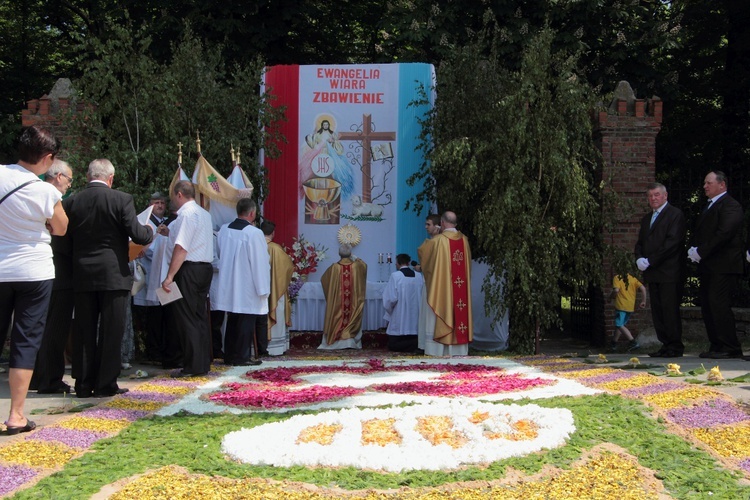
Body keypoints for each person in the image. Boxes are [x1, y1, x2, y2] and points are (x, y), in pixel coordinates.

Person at [66, 159, 153, 397]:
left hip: (82, 274)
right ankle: (105, 384)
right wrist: (150, 231)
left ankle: (83, 384)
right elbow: (137, 233)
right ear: (111, 178)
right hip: (113, 274)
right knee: (111, 330)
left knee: (84, 330)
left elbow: (65, 238)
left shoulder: (73, 201)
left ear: (87, 175)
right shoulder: (121, 199)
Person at [0, 125, 66, 434]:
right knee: (25, 340)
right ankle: (16, 415)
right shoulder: (46, 190)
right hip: (34, 271)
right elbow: (62, 227)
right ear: (48, 158)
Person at [688, 171, 745, 359]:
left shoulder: (730, 205)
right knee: (708, 305)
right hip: (710, 265)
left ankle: (730, 346)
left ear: (722, 185)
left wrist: (701, 252)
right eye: (704, 183)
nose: (705, 186)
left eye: (709, 183)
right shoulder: (710, 205)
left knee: (718, 304)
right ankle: (717, 345)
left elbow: (724, 234)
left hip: (724, 265)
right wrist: (695, 250)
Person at [30, 159, 75, 394]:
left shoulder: (31, 195)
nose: (69, 185)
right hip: (58, 273)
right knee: (55, 330)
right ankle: (50, 379)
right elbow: (62, 236)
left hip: (36, 272)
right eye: (68, 179)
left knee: (38, 328)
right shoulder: (53, 198)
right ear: (58, 177)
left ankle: (37, 377)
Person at [160, 181, 214, 376]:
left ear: (180, 194)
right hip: (204, 268)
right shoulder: (204, 213)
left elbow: (182, 247)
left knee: (186, 318)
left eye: (174, 196)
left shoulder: (185, 214)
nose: (174, 200)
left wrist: (170, 276)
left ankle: (192, 365)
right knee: (198, 316)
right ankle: (202, 363)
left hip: (189, 269)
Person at [212, 199, 270, 365]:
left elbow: (220, 253)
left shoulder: (224, 229)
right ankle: (242, 356)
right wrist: (263, 288)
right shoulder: (254, 233)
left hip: (229, 282)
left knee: (232, 319)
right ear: (252, 213)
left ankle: (230, 355)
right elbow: (259, 262)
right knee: (246, 320)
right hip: (247, 283)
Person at [634, 182, 687, 357]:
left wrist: (651, 260)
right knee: (657, 310)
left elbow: (672, 243)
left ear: (665, 196)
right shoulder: (647, 218)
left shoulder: (675, 215)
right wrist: (639, 258)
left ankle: (675, 345)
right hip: (653, 272)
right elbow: (641, 242)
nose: (653, 198)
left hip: (669, 271)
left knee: (669, 309)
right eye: (650, 196)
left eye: (656, 195)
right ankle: (665, 344)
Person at [418, 211, 473, 356]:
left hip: (443, 291)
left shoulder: (438, 241)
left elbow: (424, 256)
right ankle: (459, 349)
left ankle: (438, 350)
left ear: (442, 223)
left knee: (441, 309)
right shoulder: (465, 240)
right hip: (460, 290)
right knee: (459, 309)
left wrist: (433, 237)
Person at [132, 191, 170, 365]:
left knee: (163, 315)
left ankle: (162, 349)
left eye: (162, 203)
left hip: (164, 274)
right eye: (156, 203)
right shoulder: (144, 222)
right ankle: (149, 351)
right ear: (150, 205)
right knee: (149, 315)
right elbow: (145, 248)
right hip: (149, 273)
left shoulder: (168, 223)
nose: (160, 206)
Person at [319, 244, 367, 349]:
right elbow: (364, 266)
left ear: (339, 254)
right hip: (353, 302)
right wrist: (355, 257)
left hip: (338, 303)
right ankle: (349, 339)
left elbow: (324, 280)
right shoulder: (357, 266)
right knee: (352, 312)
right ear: (350, 254)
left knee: (338, 313)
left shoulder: (334, 267)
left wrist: (331, 295)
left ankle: (336, 339)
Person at [262, 220, 294, 356]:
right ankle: (275, 348)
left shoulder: (256, 245)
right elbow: (288, 268)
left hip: (259, 289)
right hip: (275, 289)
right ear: (273, 233)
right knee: (277, 309)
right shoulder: (275, 248)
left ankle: (258, 346)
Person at [383, 253, 424, 352]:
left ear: (397, 263)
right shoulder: (419, 276)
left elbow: (390, 299)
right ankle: (416, 345)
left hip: (399, 316)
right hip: (416, 316)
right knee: (414, 339)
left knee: (393, 345)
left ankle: (412, 346)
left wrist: (389, 313)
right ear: (409, 262)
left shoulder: (395, 276)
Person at [416, 214, 441, 351]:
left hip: (435, 283)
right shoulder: (434, 242)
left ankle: (433, 344)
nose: (426, 227)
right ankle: (426, 344)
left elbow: (423, 253)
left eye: (428, 224)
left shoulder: (437, 242)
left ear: (437, 226)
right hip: (429, 280)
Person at [608, 274, 647, 352]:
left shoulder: (617, 277)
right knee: (621, 325)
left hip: (621, 305)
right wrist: (643, 301)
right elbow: (643, 288)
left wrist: (610, 297)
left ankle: (633, 342)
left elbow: (616, 290)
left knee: (619, 324)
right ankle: (613, 343)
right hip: (630, 306)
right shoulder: (632, 278)